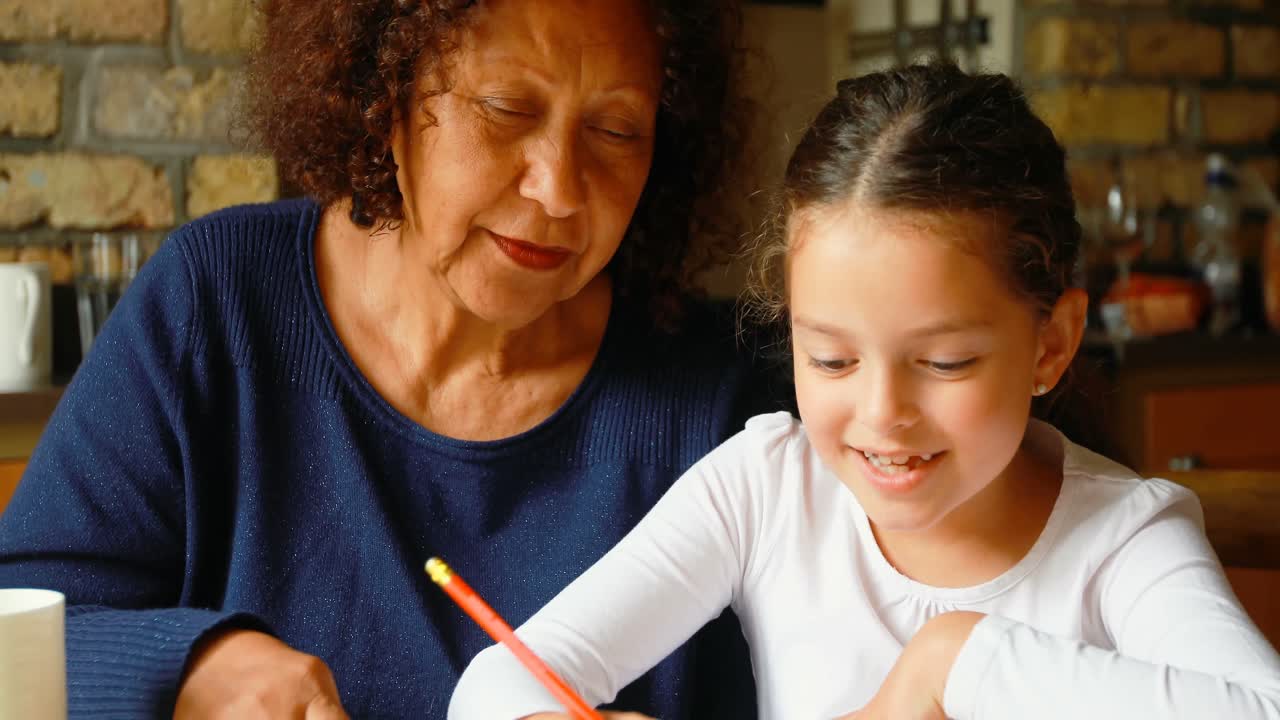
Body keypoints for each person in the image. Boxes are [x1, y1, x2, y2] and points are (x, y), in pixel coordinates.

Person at [0, 0, 781, 717]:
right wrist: (190, 665)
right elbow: (21, 619)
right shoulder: (220, 301)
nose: (560, 191)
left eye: (615, 132)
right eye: (507, 110)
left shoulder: (732, 397)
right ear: (387, 96)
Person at [448, 62, 1280, 720]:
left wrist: (952, 662)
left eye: (946, 363)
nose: (882, 415)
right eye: (833, 361)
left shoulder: (1123, 540)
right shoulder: (767, 488)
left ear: (1050, 345)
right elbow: (499, 684)